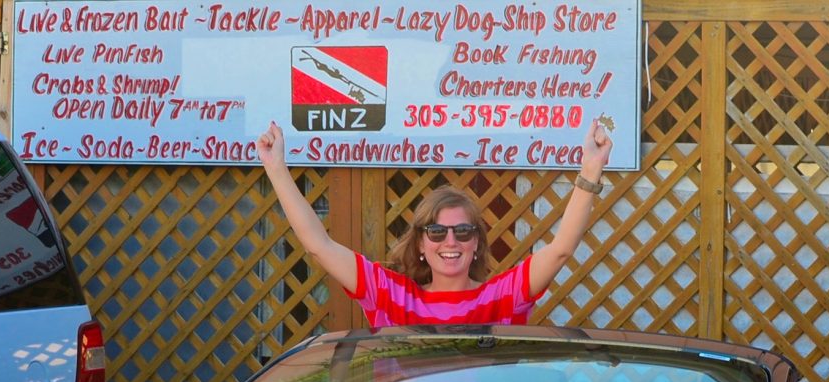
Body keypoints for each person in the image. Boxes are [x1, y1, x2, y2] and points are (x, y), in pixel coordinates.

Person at [255, 118, 614, 326]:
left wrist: (590, 170)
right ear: (421, 244)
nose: (450, 241)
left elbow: (561, 250)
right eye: (437, 232)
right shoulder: (391, 295)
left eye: (463, 231)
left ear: (477, 244)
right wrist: (276, 169)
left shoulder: (500, 298)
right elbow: (319, 245)